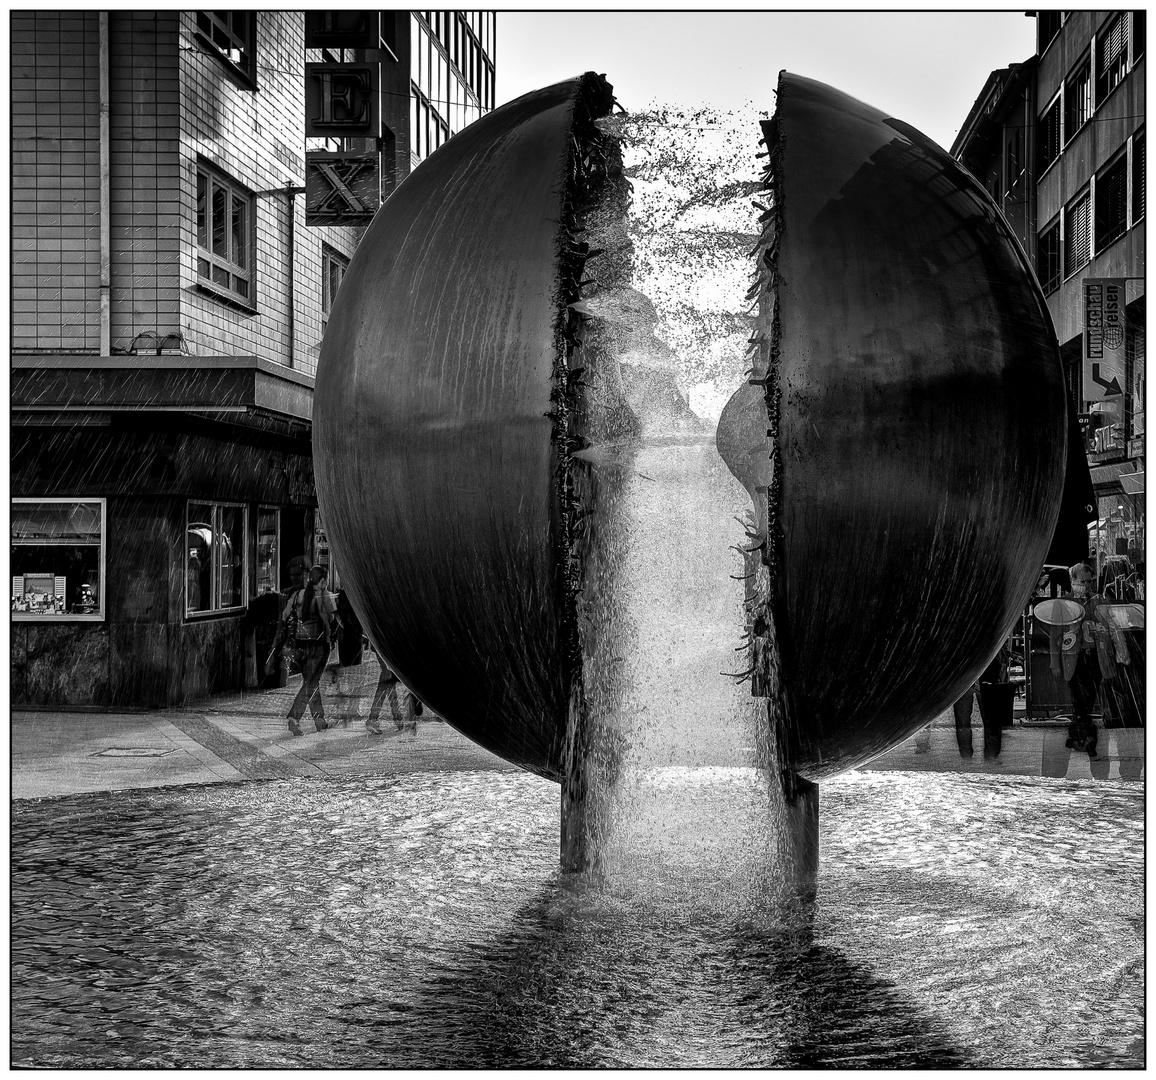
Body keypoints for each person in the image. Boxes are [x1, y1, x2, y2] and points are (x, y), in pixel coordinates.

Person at [281, 563, 336, 736]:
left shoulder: (298, 594)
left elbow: (284, 615)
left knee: (312, 683)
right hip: (318, 645)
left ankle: (319, 720)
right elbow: (333, 617)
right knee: (311, 683)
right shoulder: (324, 596)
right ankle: (294, 717)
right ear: (322, 580)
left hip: (300, 645)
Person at [366, 654, 419, 734]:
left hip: (383, 646)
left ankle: (396, 719)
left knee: (388, 679)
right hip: (382, 646)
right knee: (387, 677)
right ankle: (375, 719)